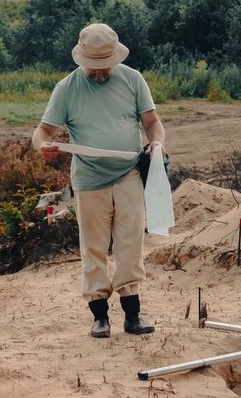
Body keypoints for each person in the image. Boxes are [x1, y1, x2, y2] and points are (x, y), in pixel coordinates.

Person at [32, 23, 166, 338]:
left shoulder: (133, 79)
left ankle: (133, 316)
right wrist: (43, 146)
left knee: (130, 243)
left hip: (129, 173)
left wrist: (157, 143)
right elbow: (42, 131)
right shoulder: (66, 88)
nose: (101, 71)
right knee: (92, 247)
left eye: (106, 65)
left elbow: (152, 122)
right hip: (89, 179)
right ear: (83, 61)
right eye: (95, 67)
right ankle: (99, 317)